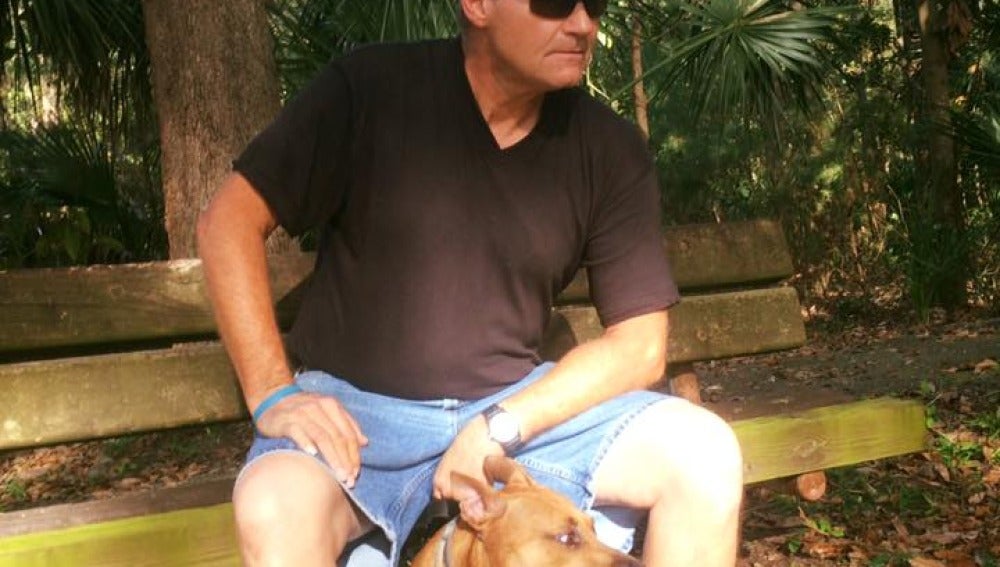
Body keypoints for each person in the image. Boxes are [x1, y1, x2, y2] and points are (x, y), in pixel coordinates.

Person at [197, 0, 744, 565]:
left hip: (516, 410)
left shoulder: (607, 147)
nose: (583, 24)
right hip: (358, 423)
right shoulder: (368, 90)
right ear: (478, 5)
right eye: (555, 2)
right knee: (274, 505)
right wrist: (274, 394)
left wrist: (501, 424)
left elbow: (641, 346)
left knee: (704, 456)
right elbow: (227, 223)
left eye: (595, 3)